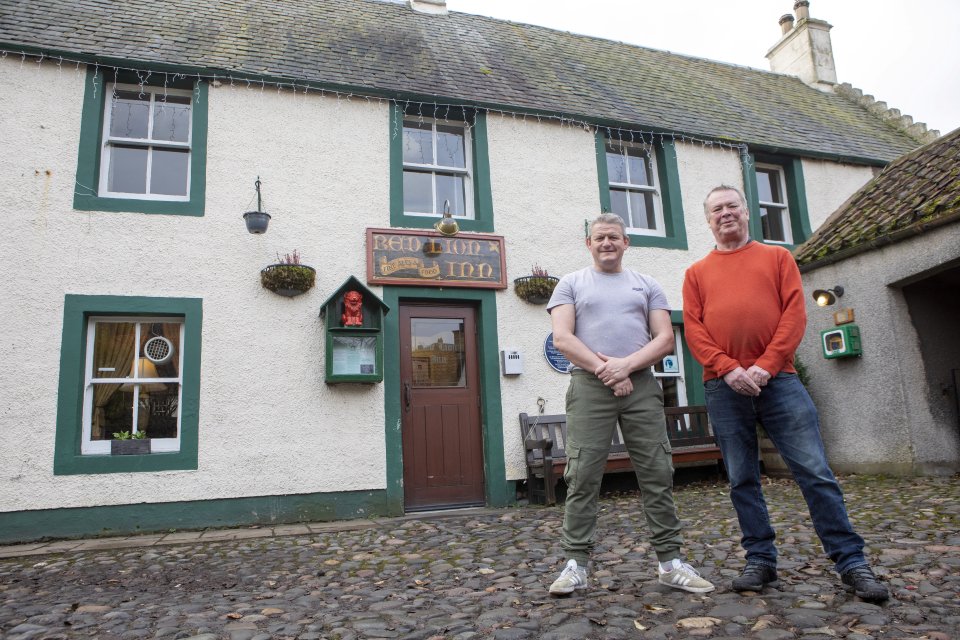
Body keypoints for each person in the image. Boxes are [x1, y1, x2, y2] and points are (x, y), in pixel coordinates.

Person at [681, 185, 888, 602]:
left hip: (780, 381)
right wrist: (730, 369)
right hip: (723, 388)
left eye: (732, 206)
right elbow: (694, 330)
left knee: (814, 472)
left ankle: (851, 562)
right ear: (708, 220)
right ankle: (760, 560)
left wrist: (765, 365)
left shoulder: (778, 258)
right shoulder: (695, 273)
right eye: (717, 209)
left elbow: (794, 316)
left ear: (746, 211)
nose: (726, 214)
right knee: (742, 478)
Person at [544, 213, 715, 596]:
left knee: (657, 470)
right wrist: (608, 370)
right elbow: (563, 339)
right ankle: (576, 565)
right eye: (600, 237)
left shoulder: (647, 284)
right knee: (583, 473)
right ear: (588, 243)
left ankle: (670, 563)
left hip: (640, 386)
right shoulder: (570, 284)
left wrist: (626, 367)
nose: (607, 243)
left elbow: (664, 339)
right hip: (589, 385)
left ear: (626, 243)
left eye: (614, 237)